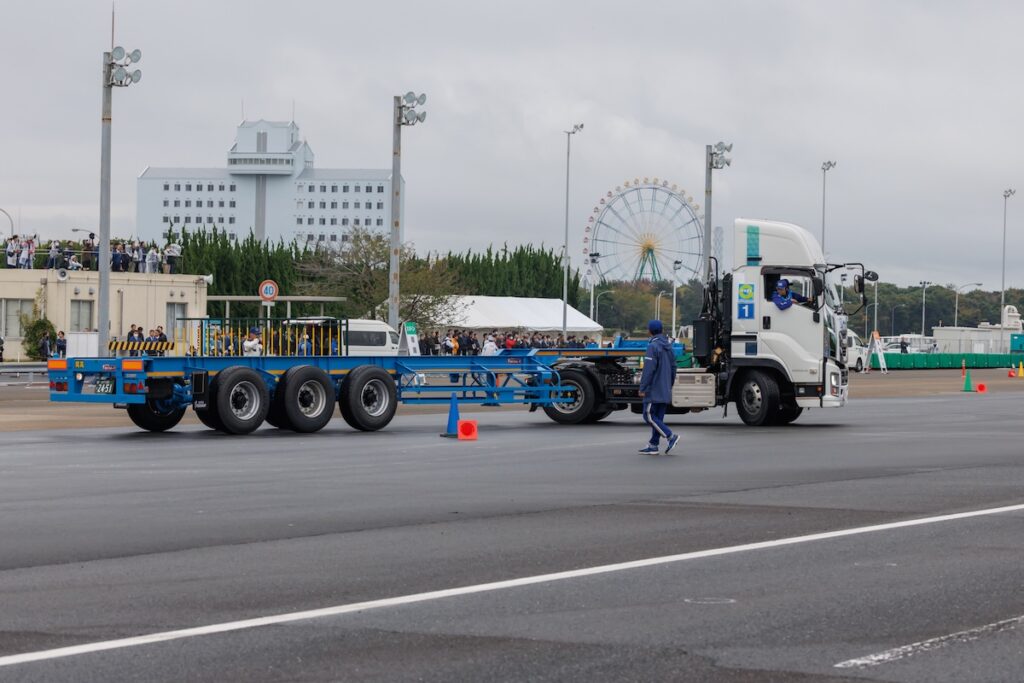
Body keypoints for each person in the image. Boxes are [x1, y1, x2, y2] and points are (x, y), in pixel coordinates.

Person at [637, 319, 679, 455]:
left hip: (654, 388)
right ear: (661, 330)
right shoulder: (668, 346)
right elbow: (674, 367)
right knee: (658, 418)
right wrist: (669, 384)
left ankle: (670, 436)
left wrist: (643, 387)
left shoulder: (652, 346)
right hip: (665, 387)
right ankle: (653, 445)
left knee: (648, 415)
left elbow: (648, 370)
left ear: (650, 331)